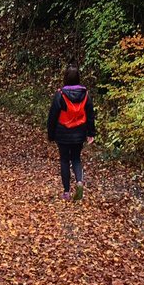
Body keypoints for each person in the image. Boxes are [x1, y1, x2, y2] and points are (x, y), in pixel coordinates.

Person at [46, 64, 96, 202]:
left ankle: (67, 192)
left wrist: (51, 134)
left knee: (64, 160)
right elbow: (90, 115)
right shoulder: (85, 94)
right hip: (79, 133)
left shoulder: (60, 95)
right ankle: (79, 181)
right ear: (78, 78)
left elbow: (53, 116)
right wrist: (91, 133)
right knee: (76, 158)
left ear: (65, 78)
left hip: (62, 133)